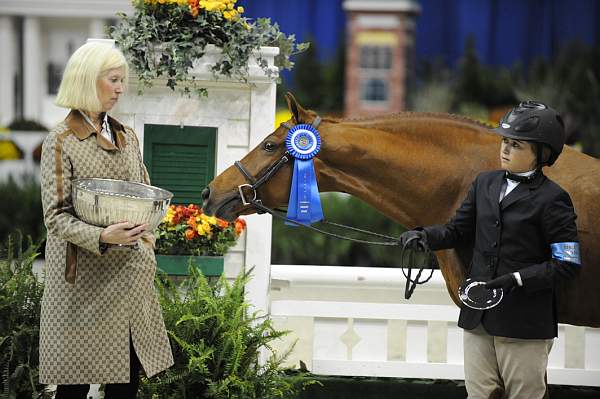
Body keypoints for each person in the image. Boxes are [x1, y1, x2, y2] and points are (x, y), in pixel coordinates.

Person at [399, 101, 581, 399]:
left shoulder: (554, 199)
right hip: (478, 316)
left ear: (542, 153)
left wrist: (517, 279)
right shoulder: (484, 183)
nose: (505, 150)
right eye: (504, 142)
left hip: (523, 322)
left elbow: (567, 264)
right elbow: (458, 231)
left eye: (516, 145)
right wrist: (424, 236)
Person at [39, 41, 173, 399]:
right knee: (74, 384)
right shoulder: (61, 140)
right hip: (82, 283)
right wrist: (103, 236)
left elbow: (144, 195)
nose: (120, 88)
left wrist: (147, 241)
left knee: (125, 384)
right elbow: (55, 218)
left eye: (121, 80)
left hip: (127, 276)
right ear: (87, 80)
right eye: (113, 79)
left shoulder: (127, 136)